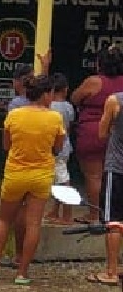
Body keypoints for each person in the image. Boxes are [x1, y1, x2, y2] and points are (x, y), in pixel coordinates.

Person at [0, 75, 64, 285]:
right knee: (34, 224)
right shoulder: (55, 118)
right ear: (45, 94)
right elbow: (58, 148)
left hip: (15, 173)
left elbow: (6, 145)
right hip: (41, 174)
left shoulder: (14, 115)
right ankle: (22, 273)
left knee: (4, 220)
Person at [73, 44, 123, 221]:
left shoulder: (94, 81)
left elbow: (75, 98)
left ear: (99, 64)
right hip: (117, 134)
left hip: (92, 134)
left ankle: (95, 214)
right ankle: (113, 215)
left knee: (94, 176)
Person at [90, 45, 123, 286]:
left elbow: (101, 133)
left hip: (117, 166)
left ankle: (111, 271)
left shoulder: (115, 101)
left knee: (113, 222)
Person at [45, 72, 75, 225]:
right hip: (65, 146)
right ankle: (56, 210)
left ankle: (68, 214)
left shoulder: (49, 107)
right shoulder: (68, 107)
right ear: (65, 89)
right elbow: (68, 128)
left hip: (54, 148)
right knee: (57, 180)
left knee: (62, 180)